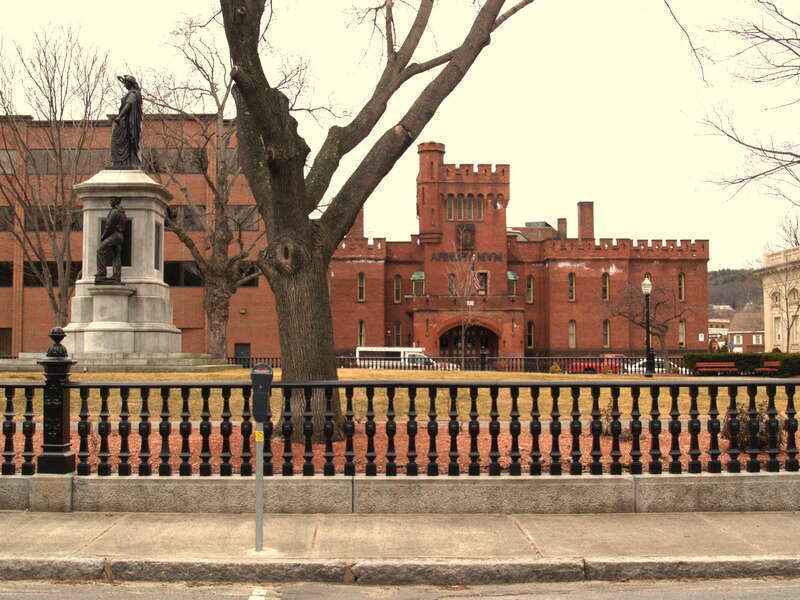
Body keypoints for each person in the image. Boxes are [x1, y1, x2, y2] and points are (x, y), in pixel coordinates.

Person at [110, 75, 142, 169]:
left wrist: (119, 117)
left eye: (125, 84)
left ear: (130, 83)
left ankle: (123, 162)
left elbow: (128, 105)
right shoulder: (134, 93)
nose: (124, 86)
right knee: (118, 140)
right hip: (124, 122)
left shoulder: (132, 94)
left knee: (117, 139)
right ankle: (121, 162)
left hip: (126, 124)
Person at [95, 198, 126, 284]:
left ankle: (101, 274)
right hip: (120, 235)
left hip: (115, 235)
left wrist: (104, 236)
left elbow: (109, 226)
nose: (109, 202)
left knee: (100, 250)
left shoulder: (115, 211)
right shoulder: (122, 212)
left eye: (111, 200)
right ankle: (116, 276)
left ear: (116, 201)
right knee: (116, 255)